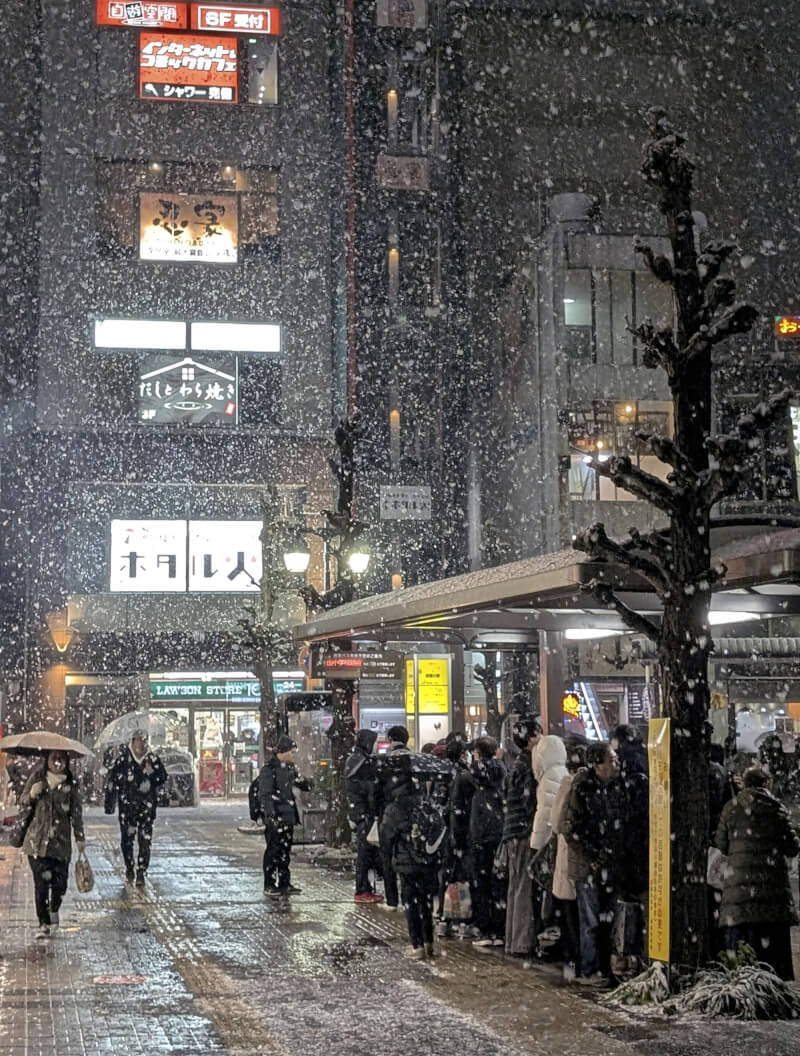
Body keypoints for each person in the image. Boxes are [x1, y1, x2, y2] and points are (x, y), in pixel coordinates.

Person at [714, 766, 800, 980]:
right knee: (771, 951)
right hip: (771, 891)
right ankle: (772, 986)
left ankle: (744, 985)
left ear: (744, 782)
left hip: (738, 892)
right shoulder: (777, 808)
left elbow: (721, 844)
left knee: (743, 946)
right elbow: (792, 847)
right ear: (767, 783)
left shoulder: (731, 808)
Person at [562, 741, 619, 985]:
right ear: (597, 765)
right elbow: (570, 827)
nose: (615, 765)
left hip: (602, 862)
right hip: (587, 866)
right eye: (611, 760)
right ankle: (589, 969)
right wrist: (593, 858)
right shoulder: (583, 788)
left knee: (601, 918)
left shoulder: (609, 788)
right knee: (591, 920)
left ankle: (599, 967)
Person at [20, 750, 85, 939]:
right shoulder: (37, 778)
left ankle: (54, 908)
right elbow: (23, 801)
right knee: (41, 885)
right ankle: (43, 923)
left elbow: (76, 813)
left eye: (61, 759)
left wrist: (80, 837)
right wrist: (32, 794)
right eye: (54, 758)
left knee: (60, 884)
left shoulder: (70, 784)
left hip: (61, 843)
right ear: (47, 760)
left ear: (66, 761)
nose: (57, 762)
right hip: (37, 842)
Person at [381, 771, 440, 960]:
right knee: (426, 904)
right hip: (428, 861)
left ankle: (418, 946)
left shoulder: (394, 808)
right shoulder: (425, 803)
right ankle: (429, 943)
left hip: (407, 863)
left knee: (411, 905)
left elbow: (386, 838)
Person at [501, 714, 542, 955]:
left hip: (512, 831)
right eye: (538, 733)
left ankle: (513, 939)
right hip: (522, 831)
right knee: (523, 887)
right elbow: (530, 802)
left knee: (516, 886)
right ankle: (521, 942)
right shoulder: (528, 764)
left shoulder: (517, 763)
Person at [104, 730, 166, 886]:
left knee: (145, 840)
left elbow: (162, 777)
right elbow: (112, 781)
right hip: (127, 807)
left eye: (144, 740)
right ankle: (129, 866)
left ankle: (141, 870)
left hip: (146, 807)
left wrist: (152, 774)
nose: (141, 743)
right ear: (133, 741)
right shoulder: (123, 760)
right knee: (127, 840)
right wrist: (110, 804)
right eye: (138, 740)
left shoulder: (151, 759)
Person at [551, 741, 587, 979]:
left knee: (569, 914)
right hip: (583, 858)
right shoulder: (588, 784)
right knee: (583, 915)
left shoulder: (568, 783)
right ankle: (581, 963)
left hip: (569, 856)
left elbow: (555, 822)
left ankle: (572, 964)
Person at [259, 735, 313, 897]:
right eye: (291, 751)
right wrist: (272, 815)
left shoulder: (289, 769)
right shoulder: (269, 770)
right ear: (282, 752)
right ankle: (270, 883)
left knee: (284, 851)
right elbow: (266, 795)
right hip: (277, 817)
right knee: (273, 851)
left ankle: (284, 882)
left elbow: (302, 785)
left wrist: (306, 781)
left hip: (288, 815)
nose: (293, 755)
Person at [529, 734, 569, 955]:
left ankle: (544, 940)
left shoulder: (548, 778)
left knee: (543, 895)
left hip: (546, 845)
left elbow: (544, 814)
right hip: (557, 845)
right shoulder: (562, 772)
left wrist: (535, 845)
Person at [469, 736, 506, 947]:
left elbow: (475, 772)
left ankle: (485, 930)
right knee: (498, 884)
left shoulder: (478, 785)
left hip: (481, 837)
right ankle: (499, 929)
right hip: (498, 834)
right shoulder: (501, 774)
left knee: (481, 884)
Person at [346, 729, 384, 903]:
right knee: (365, 853)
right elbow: (366, 789)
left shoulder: (356, 760)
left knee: (366, 852)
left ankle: (365, 887)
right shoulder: (362, 763)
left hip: (360, 812)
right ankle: (362, 889)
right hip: (364, 813)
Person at [377, 724, 411, 912]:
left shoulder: (384, 761)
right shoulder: (414, 760)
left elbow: (377, 791)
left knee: (387, 856)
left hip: (389, 815)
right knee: (407, 857)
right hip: (409, 816)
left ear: (390, 739)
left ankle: (392, 900)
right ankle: (408, 897)